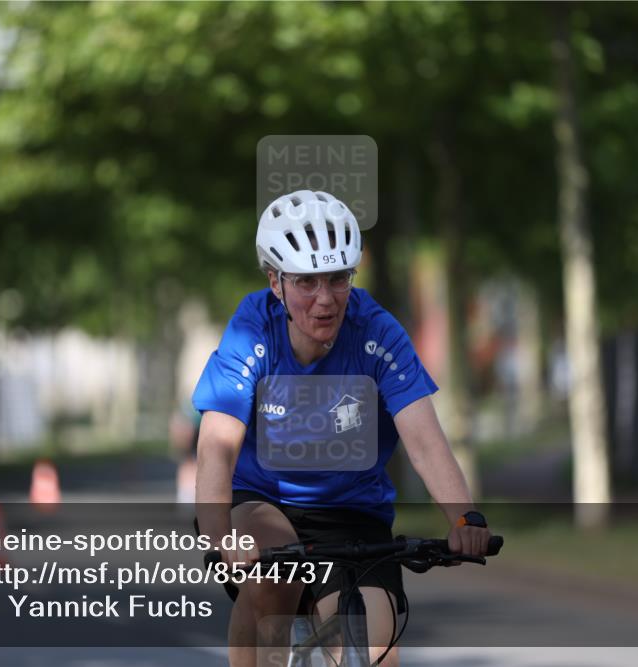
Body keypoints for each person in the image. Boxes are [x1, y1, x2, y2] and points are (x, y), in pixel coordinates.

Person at [193, 190, 490, 667]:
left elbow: (425, 442)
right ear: (275, 282)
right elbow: (216, 446)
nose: (325, 299)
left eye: (338, 279)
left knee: (375, 647)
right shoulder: (252, 331)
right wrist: (219, 538)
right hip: (264, 500)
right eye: (306, 282)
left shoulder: (377, 332)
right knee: (274, 578)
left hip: (351, 512)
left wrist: (463, 518)